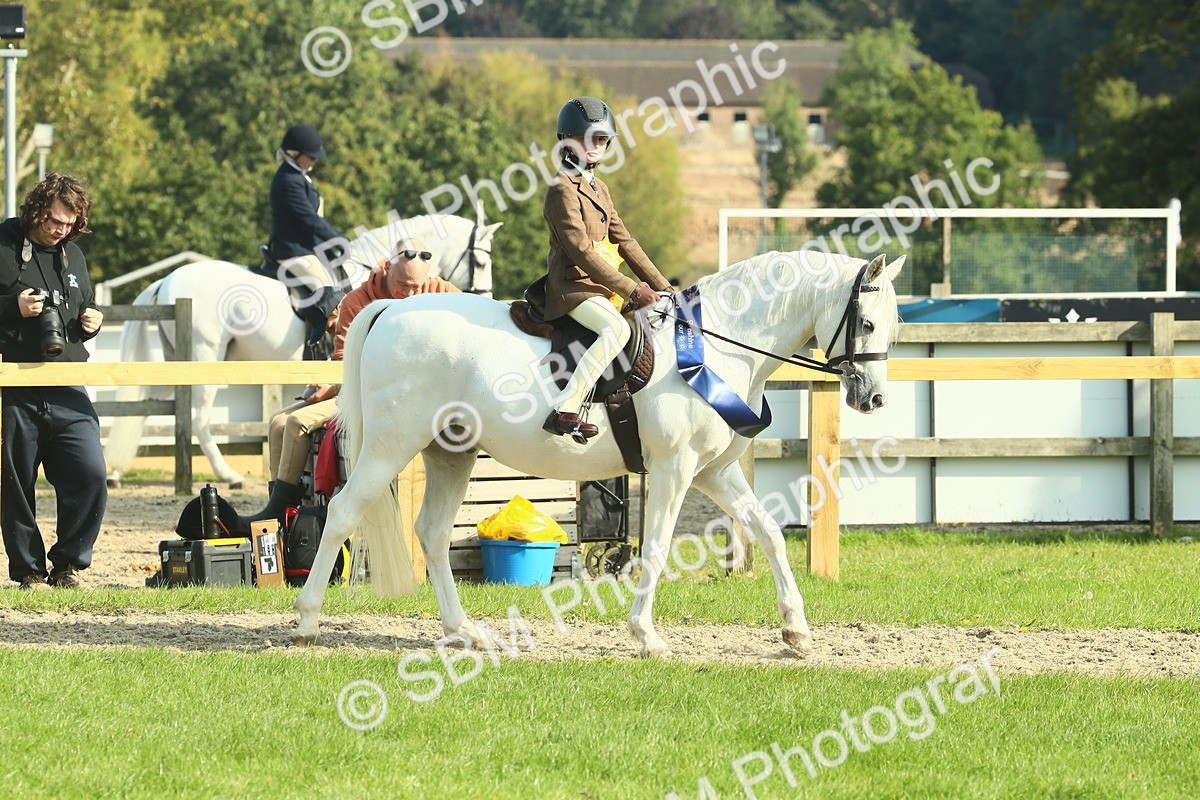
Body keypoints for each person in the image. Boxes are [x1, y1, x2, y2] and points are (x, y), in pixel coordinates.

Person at [240, 238, 459, 529]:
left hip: (418, 395)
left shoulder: (442, 291)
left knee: (294, 423)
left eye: (416, 287)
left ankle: (278, 511)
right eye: (403, 285)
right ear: (386, 268)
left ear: (428, 278)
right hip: (363, 390)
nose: (409, 294)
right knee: (277, 421)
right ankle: (279, 508)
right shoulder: (357, 303)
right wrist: (329, 385)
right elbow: (343, 361)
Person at [540, 96, 672, 440]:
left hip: (601, 286)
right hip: (572, 287)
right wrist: (633, 289)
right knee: (616, 330)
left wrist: (663, 287)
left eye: (602, 139)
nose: (596, 145)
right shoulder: (561, 189)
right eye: (589, 138)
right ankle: (565, 409)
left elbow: (625, 242)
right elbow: (582, 252)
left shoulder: (601, 187)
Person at [0, 174, 106, 589]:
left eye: (69, 224)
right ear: (36, 209)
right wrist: (13, 307)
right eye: (53, 221)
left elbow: (85, 304)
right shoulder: (3, 245)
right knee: (15, 481)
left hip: (67, 382)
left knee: (90, 472)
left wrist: (92, 320)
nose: (60, 230)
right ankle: (28, 572)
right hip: (13, 382)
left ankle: (69, 565)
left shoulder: (73, 256)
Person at [268, 123, 345, 358]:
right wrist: (338, 238)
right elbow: (309, 220)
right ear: (294, 153)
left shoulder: (299, 176)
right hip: (293, 251)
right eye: (310, 156)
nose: (314, 161)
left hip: (305, 247)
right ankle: (322, 353)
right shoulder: (289, 181)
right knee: (330, 295)